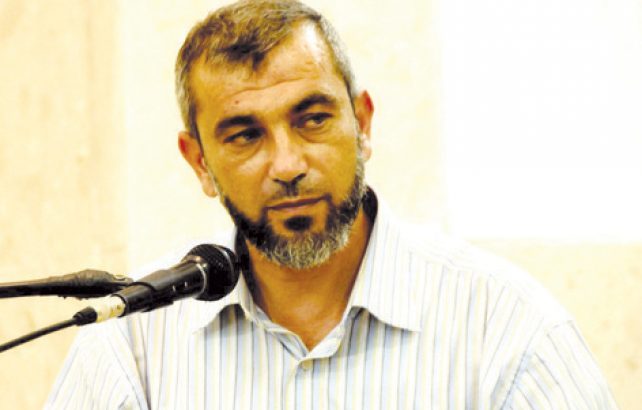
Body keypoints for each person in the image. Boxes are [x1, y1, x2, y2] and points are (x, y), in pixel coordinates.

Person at [47, 0, 618, 408]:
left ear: (362, 124)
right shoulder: (132, 343)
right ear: (199, 162)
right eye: (245, 135)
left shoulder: (506, 328)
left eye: (313, 119)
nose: (288, 164)